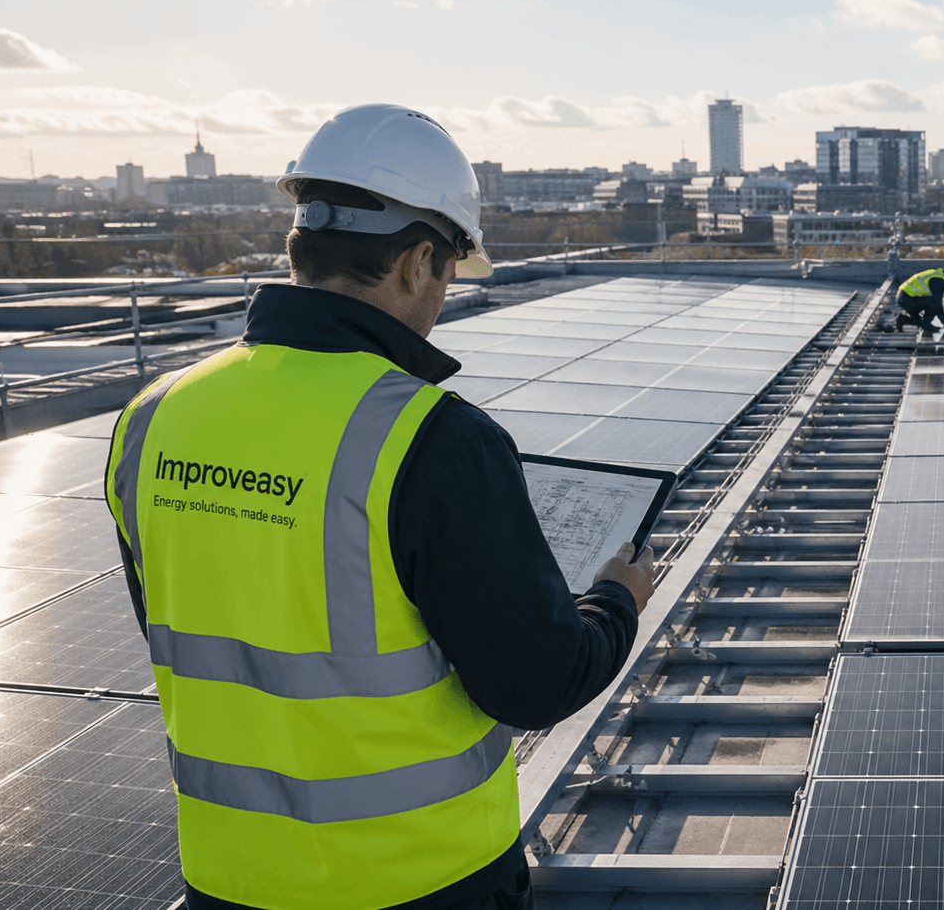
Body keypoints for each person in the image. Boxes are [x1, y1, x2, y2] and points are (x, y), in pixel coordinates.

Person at [103, 104, 655, 910]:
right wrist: (614, 602)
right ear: (415, 262)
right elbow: (536, 685)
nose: (443, 294)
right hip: (422, 877)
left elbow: (193, 621)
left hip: (229, 877)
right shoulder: (435, 440)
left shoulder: (151, 416)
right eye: (447, 272)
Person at [893, 262, 944, 334]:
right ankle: (907, 320)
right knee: (933, 303)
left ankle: (906, 320)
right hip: (906, 300)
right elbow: (938, 305)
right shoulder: (939, 281)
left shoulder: (937, 274)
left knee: (928, 308)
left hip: (904, 298)